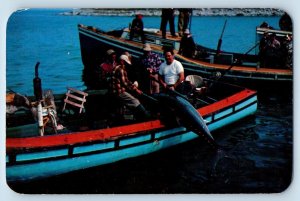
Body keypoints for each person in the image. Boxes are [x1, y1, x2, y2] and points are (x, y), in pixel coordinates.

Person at [110, 54, 150, 121]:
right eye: (125, 63)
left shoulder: (116, 67)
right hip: (119, 92)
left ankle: (138, 118)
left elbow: (127, 81)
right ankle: (147, 117)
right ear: (122, 61)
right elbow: (125, 83)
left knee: (130, 103)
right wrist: (135, 89)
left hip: (117, 91)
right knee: (135, 101)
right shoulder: (120, 70)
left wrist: (134, 87)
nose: (126, 65)